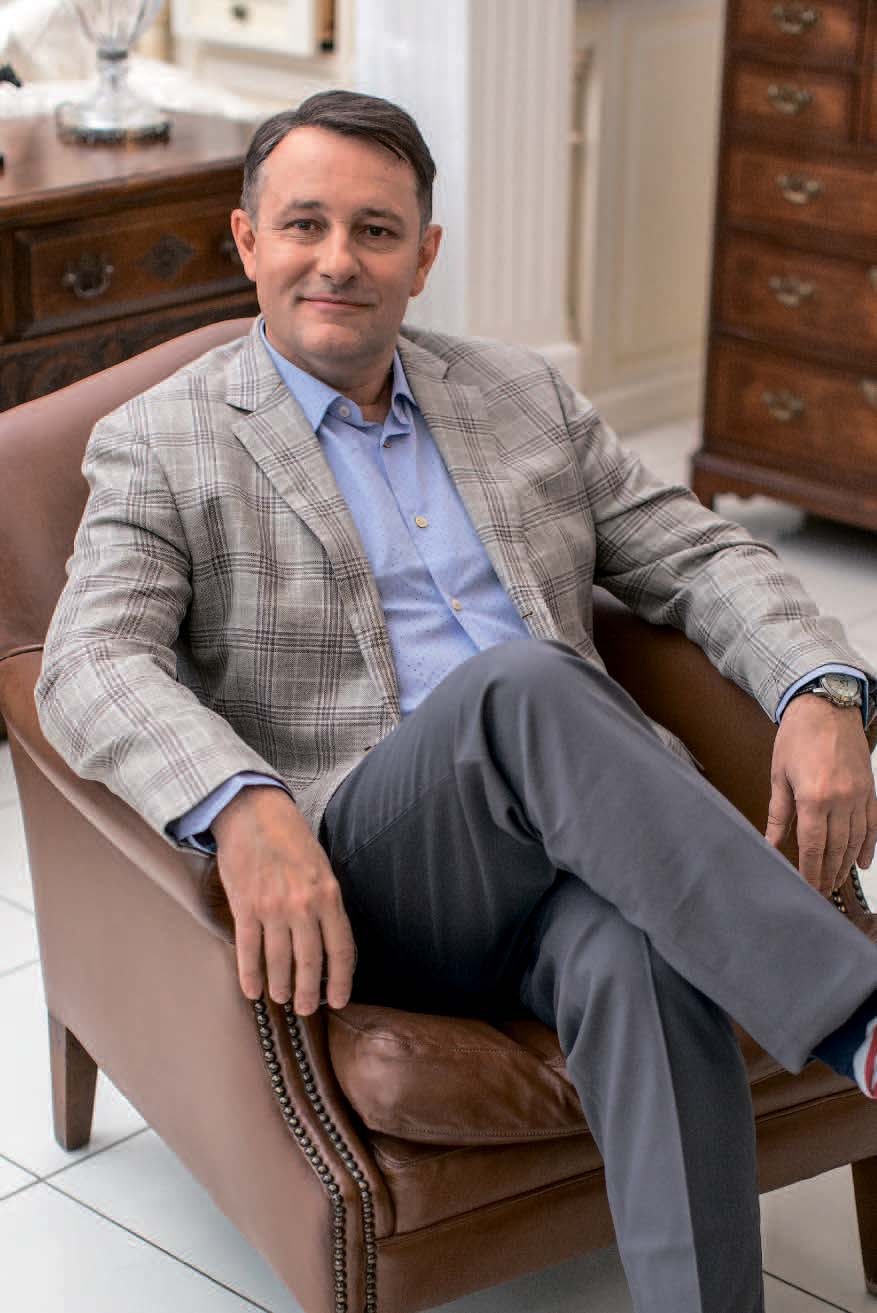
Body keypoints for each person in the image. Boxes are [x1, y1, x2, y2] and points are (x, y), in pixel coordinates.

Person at [35, 90, 877, 1313]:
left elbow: (698, 553)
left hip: (586, 845)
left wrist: (820, 688)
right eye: (305, 224)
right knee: (522, 684)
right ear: (247, 240)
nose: (338, 259)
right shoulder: (163, 440)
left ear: (423, 255)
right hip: (375, 874)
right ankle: (857, 1016)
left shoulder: (518, 394)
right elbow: (88, 659)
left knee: (635, 954)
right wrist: (241, 802)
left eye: (375, 231)